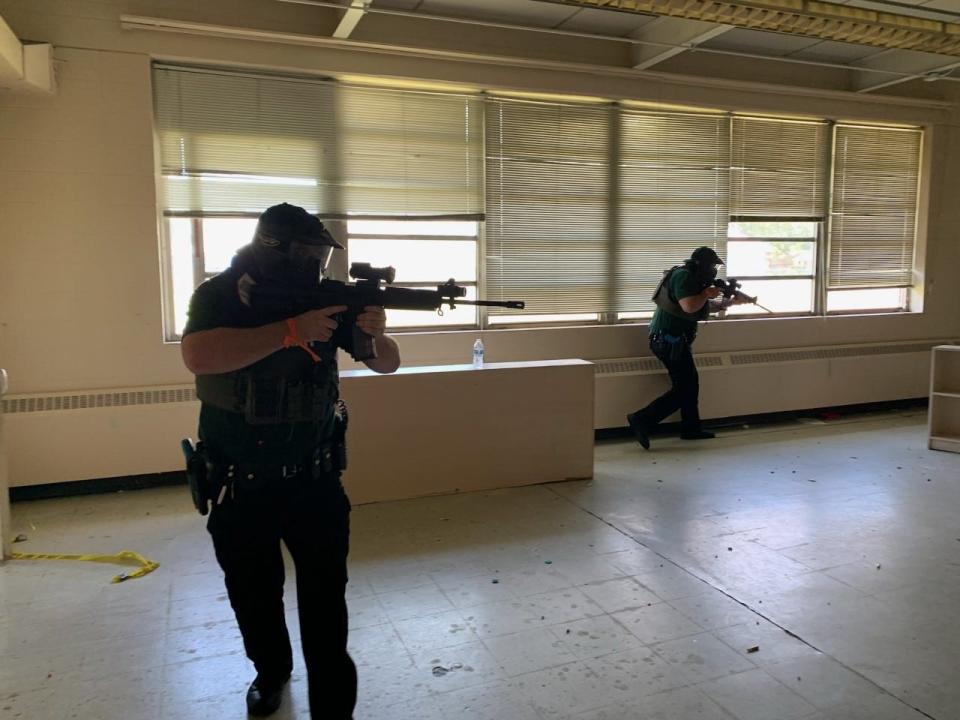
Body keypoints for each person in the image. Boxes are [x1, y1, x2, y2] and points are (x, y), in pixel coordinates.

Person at [180, 203, 401, 718]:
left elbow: (386, 363)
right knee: (254, 598)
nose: (315, 262)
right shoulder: (218, 295)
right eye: (305, 252)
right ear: (272, 247)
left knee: (326, 607)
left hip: (315, 482)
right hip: (239, 483)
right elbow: (198, 356)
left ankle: (332, 708)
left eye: (319, 253)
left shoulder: (328, 300)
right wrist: (289, 332)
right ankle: (271, 671)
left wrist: (372, 329)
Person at [626, 246, 745, 450]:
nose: (713, 269)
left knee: (689, 385)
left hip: (674, 340)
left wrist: (727, 303)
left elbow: (698, 306)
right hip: (668, 340)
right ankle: (641, 419)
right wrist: (708, 293)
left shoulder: (692, 278)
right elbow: (689, 306)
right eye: (711, 265)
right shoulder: (683, 277)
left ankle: (691, 429)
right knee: (685, 388)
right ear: (701, 264)